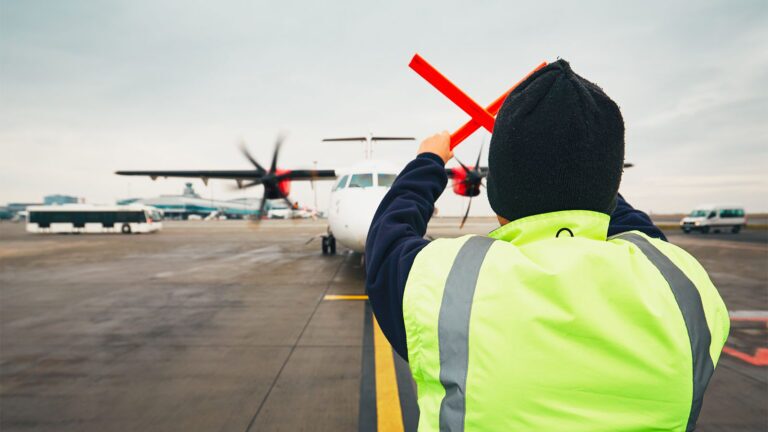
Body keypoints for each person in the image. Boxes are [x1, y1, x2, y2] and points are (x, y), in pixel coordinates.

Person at [365, 59, 729, 431]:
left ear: (499, 193)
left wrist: (428, 161)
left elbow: (386, 239)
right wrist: (583, 167)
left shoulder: (441, 285)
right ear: (609, 183)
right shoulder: (684, 286)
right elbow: (639, 229)